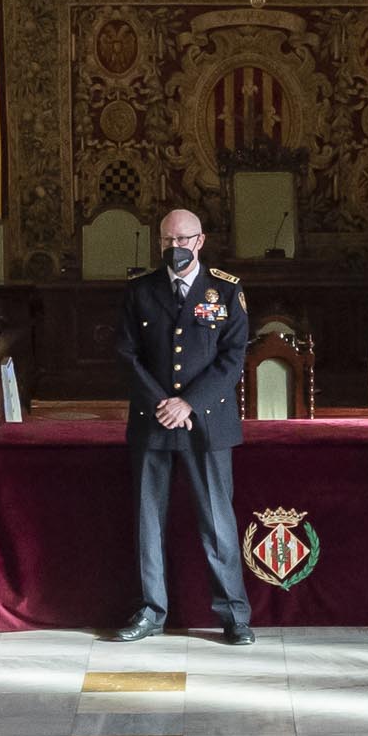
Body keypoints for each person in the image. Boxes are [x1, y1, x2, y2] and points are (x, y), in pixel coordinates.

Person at [113, 205, 252, 647]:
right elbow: (126, 355)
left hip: (207, 423)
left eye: (183, 239)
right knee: (148, 522)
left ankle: (234, 615)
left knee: (217, 523)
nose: (175, 247)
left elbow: (233, 358)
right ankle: (151, 611)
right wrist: (164, 404)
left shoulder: (226, 290)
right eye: (167, 240)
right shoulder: (140, 290)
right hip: (153, 420)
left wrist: (188, 403)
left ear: (200, 241)